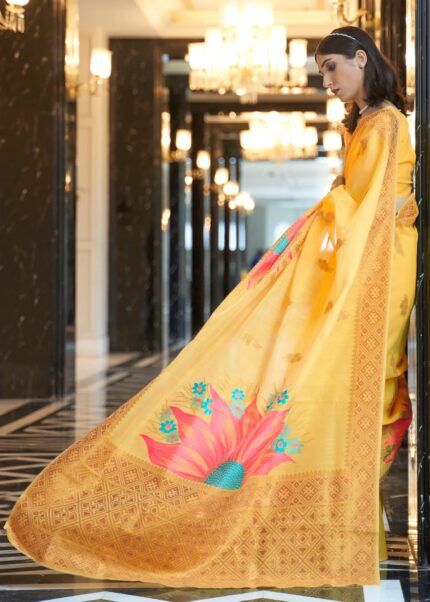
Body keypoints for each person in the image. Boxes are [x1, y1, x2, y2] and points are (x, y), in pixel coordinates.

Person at [5, 25, 418, 589]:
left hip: (381, 268)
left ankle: (341, 524)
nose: (326, 82)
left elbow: (369, 207)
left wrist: (330, 217)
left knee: (370, 388)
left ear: (362, 59)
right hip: (360, 261)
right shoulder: (365, 124)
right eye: (321, 71)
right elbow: (356, 204)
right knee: (336, 383)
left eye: (331, 69)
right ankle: (331, 524)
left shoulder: (387, 122)